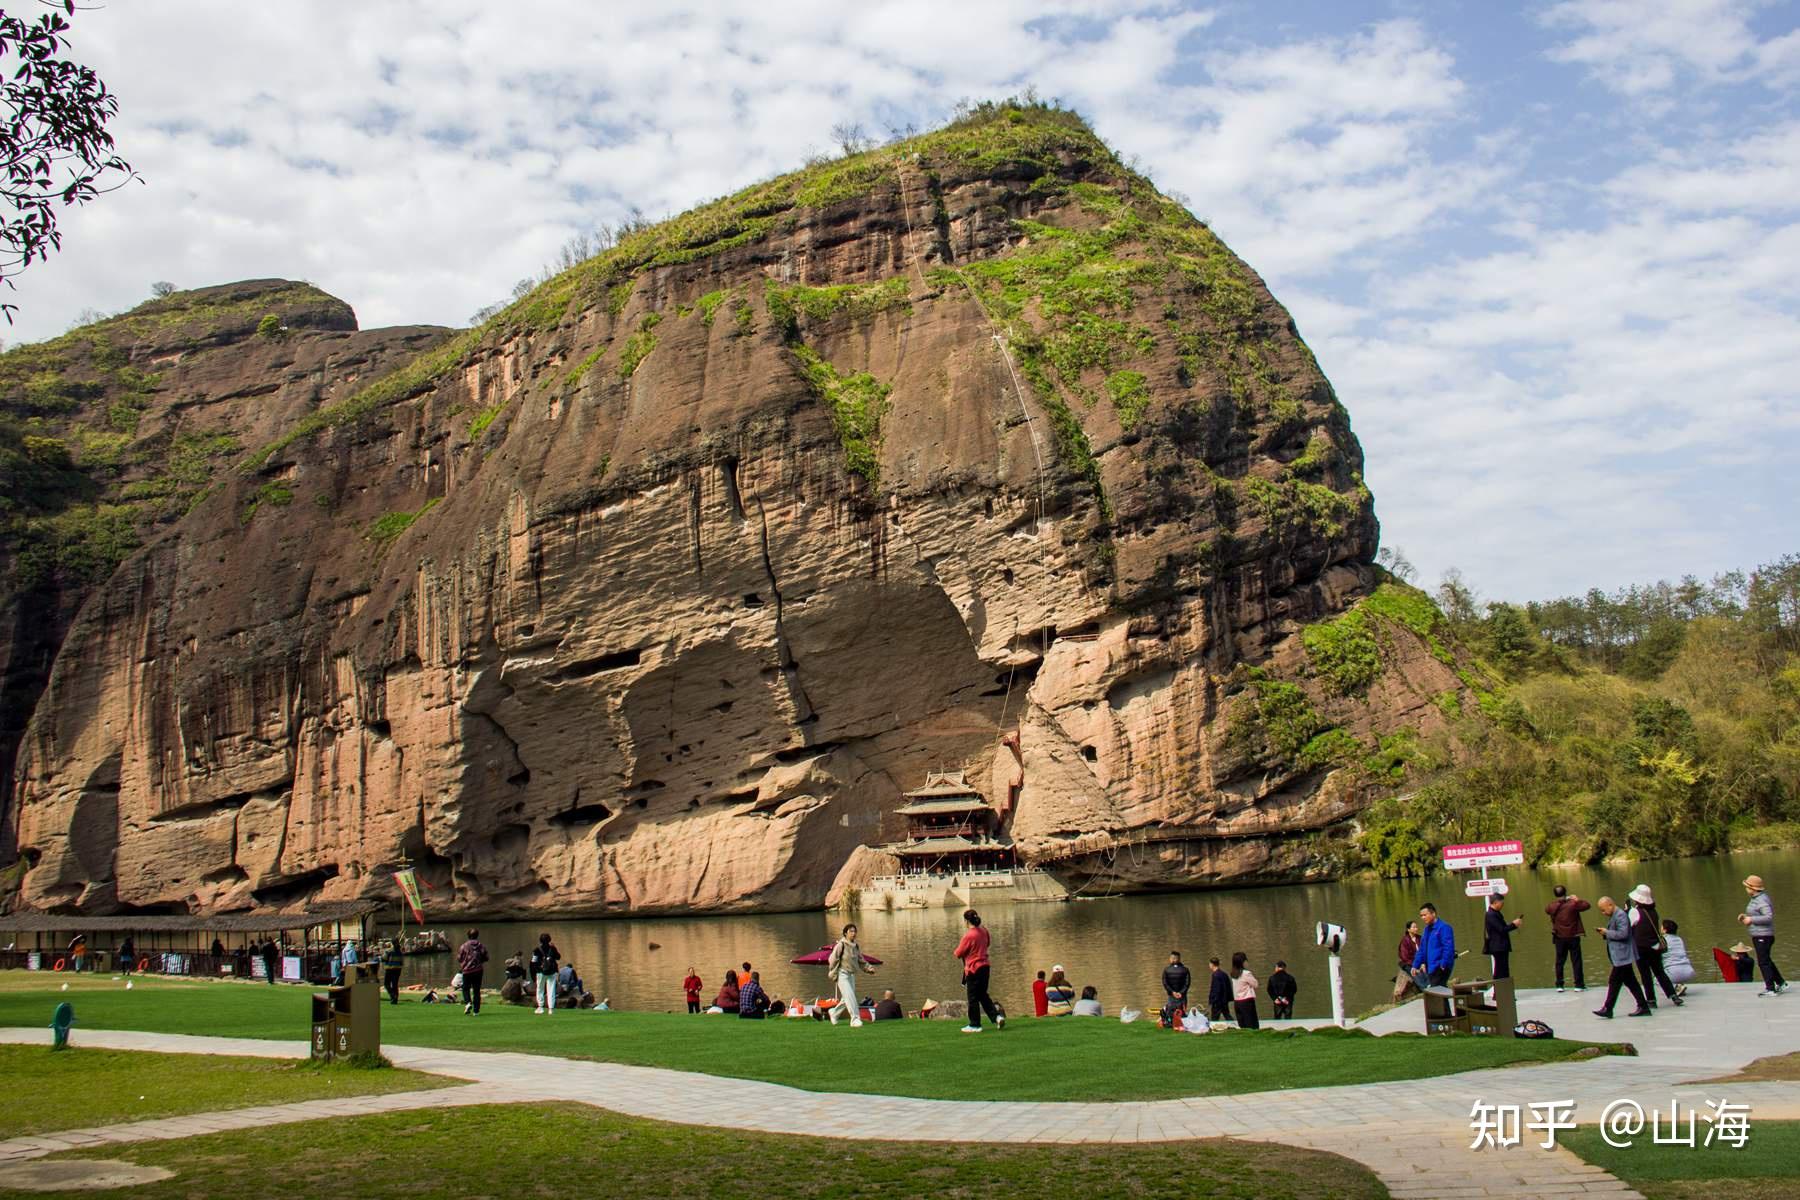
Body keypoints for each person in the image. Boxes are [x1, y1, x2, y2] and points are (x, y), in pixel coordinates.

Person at [1592, 896, 1650, 1019]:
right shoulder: (1615, 915)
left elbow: (1623, 934)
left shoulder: (1620, 915)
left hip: (1623, 956)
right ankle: (1643, 1006)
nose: (1603, 913)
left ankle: (1608, 1008)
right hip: (1621, 956)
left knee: (1614, 981)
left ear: (1610, 905)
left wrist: (1607, 932)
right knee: (1630, 982)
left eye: (1603, 910)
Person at [1627, 884, 1682, 1007]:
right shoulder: (1653, 912)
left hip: (1641, 947)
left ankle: (1651, 1000)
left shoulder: (1634, 911)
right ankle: (1673, 995)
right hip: (1655, 946)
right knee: (1659, 972)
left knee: (1645, 974)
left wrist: (1626, 911)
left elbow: (1628, 927)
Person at [1738, 874, 1789, 996]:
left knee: (1763, 962)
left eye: (1747, 887)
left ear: (1753, 888)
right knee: (1766, 960)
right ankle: (1781, 982)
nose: (1746, 889)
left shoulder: (1761, 900)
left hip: (1764, 936)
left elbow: (1768, 917)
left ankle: (1770, 988)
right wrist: (1745, 918)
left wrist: (1751, 919)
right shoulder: (1756, 899)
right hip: (1759, 935)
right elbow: (1756, 915)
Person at [953, 908, 1002, 1033]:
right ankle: (996, 1016)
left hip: (974, 969)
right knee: (983, 995)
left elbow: (958, 953)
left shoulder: (969, 935)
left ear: (966, 921)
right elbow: (988, 943)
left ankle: (975, 1024)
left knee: (973, 997)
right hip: (985, 966)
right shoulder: (984, 931)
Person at [826, 922, 876, 1027]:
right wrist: (833, 971)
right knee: (850, 997)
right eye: (851, 931)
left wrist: (869, 968)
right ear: (845, 933)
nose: (853, 933)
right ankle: (855, 1019)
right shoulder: (841, 944)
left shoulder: (855, 946)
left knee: (847, 998)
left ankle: (834, 1013)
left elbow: (860, 960)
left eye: (855, 931)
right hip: (842, 974)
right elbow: (832, 959)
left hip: (851, 975)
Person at [1545, 885, 1590, 992]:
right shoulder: (1573, 904)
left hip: (1559, 937)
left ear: (1555, 894)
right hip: (1573, 937)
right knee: (1576, 961)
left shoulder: (1552, 906)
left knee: (1559, 961)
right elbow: (1587, 905)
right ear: (1565, 893)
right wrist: (1576, 899)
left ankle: (1559, 985)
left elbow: (1547, 910)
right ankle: (1578, 985)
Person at [1411, 903, 1455, 990]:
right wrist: (1415, 965)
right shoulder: (1427, 930)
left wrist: (1443, 963)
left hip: (1440, 966)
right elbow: (1422, 949)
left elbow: (1448, 947)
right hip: (1431, 967)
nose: (1423, 917)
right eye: (1421, 915)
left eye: (1425, 915)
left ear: (1433, 914)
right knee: (1438, 994)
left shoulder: (1443, 927)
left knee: (1437, 991)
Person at [1483, 895, 1522, 980]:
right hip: (1498, 947)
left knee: (1503, 969)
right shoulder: (1491, 914)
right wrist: (1514, 925)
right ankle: (1500, 991)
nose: (1502, 905)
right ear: (1495, 902)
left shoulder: (1495, 913)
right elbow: (1501, 929)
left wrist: (1513, 925)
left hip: (1501, 946)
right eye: (1501, 903)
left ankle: (1502, 990)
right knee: (1501, 970)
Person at [456, 928, 489, 1015]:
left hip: (467, 970)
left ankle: (468, 1002)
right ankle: (476, 1011)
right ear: (477, 935)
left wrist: (465, 962)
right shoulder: (481, 946)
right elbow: (486, 957)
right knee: (476, 990)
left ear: (468, 936)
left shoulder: (464, 946)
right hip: (478, 970)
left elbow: (459, 958)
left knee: (465, 988)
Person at [531, 933, 562, 1015]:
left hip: (540, 972)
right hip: (552, 971)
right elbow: (558, 957)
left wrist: (534, 973)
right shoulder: (552, 948)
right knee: (551, 989)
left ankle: (540, 1007)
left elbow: (533, 962)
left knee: (540, 989)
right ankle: (551, 1008)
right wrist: (554, 948)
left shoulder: (537, 950)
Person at [1660, 919, 1695, 989]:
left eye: (1661, 926)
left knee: (1657, 979)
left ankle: (1675, 988)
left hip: (1674, 973)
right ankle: (1679, 986)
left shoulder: (1662, 940)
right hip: (1689, 972)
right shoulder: (1679, 939)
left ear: (1665, 930)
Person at [1229, 952, 1259, 1028]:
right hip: (1247, 1001)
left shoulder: (1233, 974)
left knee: (1242, 1023)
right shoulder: (1246, 973)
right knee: (1251, 1023)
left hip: (1237, 1001)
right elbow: (1255, 984)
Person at [1394, 921, 1421, 1002]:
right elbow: (1405, 957)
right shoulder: (1405, 941)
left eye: (1416, 927)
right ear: (1408, 929)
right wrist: (1416, 964)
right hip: (1409, 963)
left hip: (1420, 961)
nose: (1416, 929)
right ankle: (1425, 987)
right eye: (1413, 927)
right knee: (1415, 972)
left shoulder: (1420, 938)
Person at [1162, 951, 1191, 1023]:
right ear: (1179, 959)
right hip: (1182, 996)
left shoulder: (1166, 970)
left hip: (1171, 995)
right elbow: (1187, 983)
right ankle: (1182, 1024)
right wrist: (1181, 992)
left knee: (1171, 1011)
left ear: (1172, 959)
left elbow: (1165, 983)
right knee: (1182, 1011)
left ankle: (1170, 1023)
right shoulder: (1185, 969)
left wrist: (1172, 992)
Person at [1207, 957, 1232, 1021]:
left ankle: (1213, 1028)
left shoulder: (1215, 975)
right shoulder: (1224, 974)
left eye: (1209, 964)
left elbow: (1216, 990)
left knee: (1214, 1018)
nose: (1209, 966)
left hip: (1217, 1002)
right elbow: (1228, 987)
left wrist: (1213, 1000)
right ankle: (1234, 1025)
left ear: (1212, 964)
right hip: (1224, 1000)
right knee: (1227, 1015)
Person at [382, 938, 404, 1005]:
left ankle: (392, 995)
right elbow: (401, 962)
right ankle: (395, 999)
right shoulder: (400, 952)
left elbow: (384, 959)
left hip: (390, 969)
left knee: (386, 984)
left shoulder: (389, 951)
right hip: (398, 969)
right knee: (395, 984)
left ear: (392, 943)